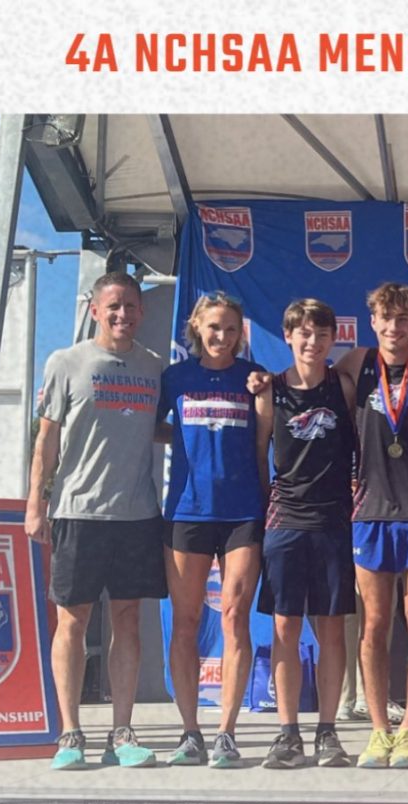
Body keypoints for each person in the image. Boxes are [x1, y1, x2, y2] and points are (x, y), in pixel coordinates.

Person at [29, 271, 167, 771]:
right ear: (95, 310)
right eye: (113, 306)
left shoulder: (155, 367)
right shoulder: (66, 362)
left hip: (136, 513)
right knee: (73, 619)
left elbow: (162, 428)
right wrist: (35, 503)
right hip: (77, 511)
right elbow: (46, 438)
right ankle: (70, 732)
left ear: (141, 312)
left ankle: (122, 731)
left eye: (130, 306)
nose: (122, 315)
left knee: (127, 619)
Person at [338, 282, 408, 769]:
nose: (393, 327)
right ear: (373, 322)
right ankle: (378, 730)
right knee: (374, 625)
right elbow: (304, 380)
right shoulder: (355, 363)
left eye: (403, 319)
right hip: (369, 514)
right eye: (385, 318)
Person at [155, 292, 272, 769]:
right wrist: (185, 435)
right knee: (185, 623)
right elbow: (150, 426)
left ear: (241, 333)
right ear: (197, 329)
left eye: (230, 329)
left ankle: (226, 732)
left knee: (235, 617)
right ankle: (190, 732)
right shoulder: (175, 378)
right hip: (187, 512)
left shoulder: (254, 378)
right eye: (213, 327)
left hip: (242, 512)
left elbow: (264, 441)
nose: (221, 336)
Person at [256, 299, 358, 769]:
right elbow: (259, 457)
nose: (312, 342)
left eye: (321, 334)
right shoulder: (269, 390)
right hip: (285, 521)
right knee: (285, 628)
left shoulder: (343, 385)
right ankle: (288, 733)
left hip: (333, 520)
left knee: (331, 629)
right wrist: (266, 513)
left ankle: (328, 732)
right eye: (303, 333)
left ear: (333, 338)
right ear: (288, 336)